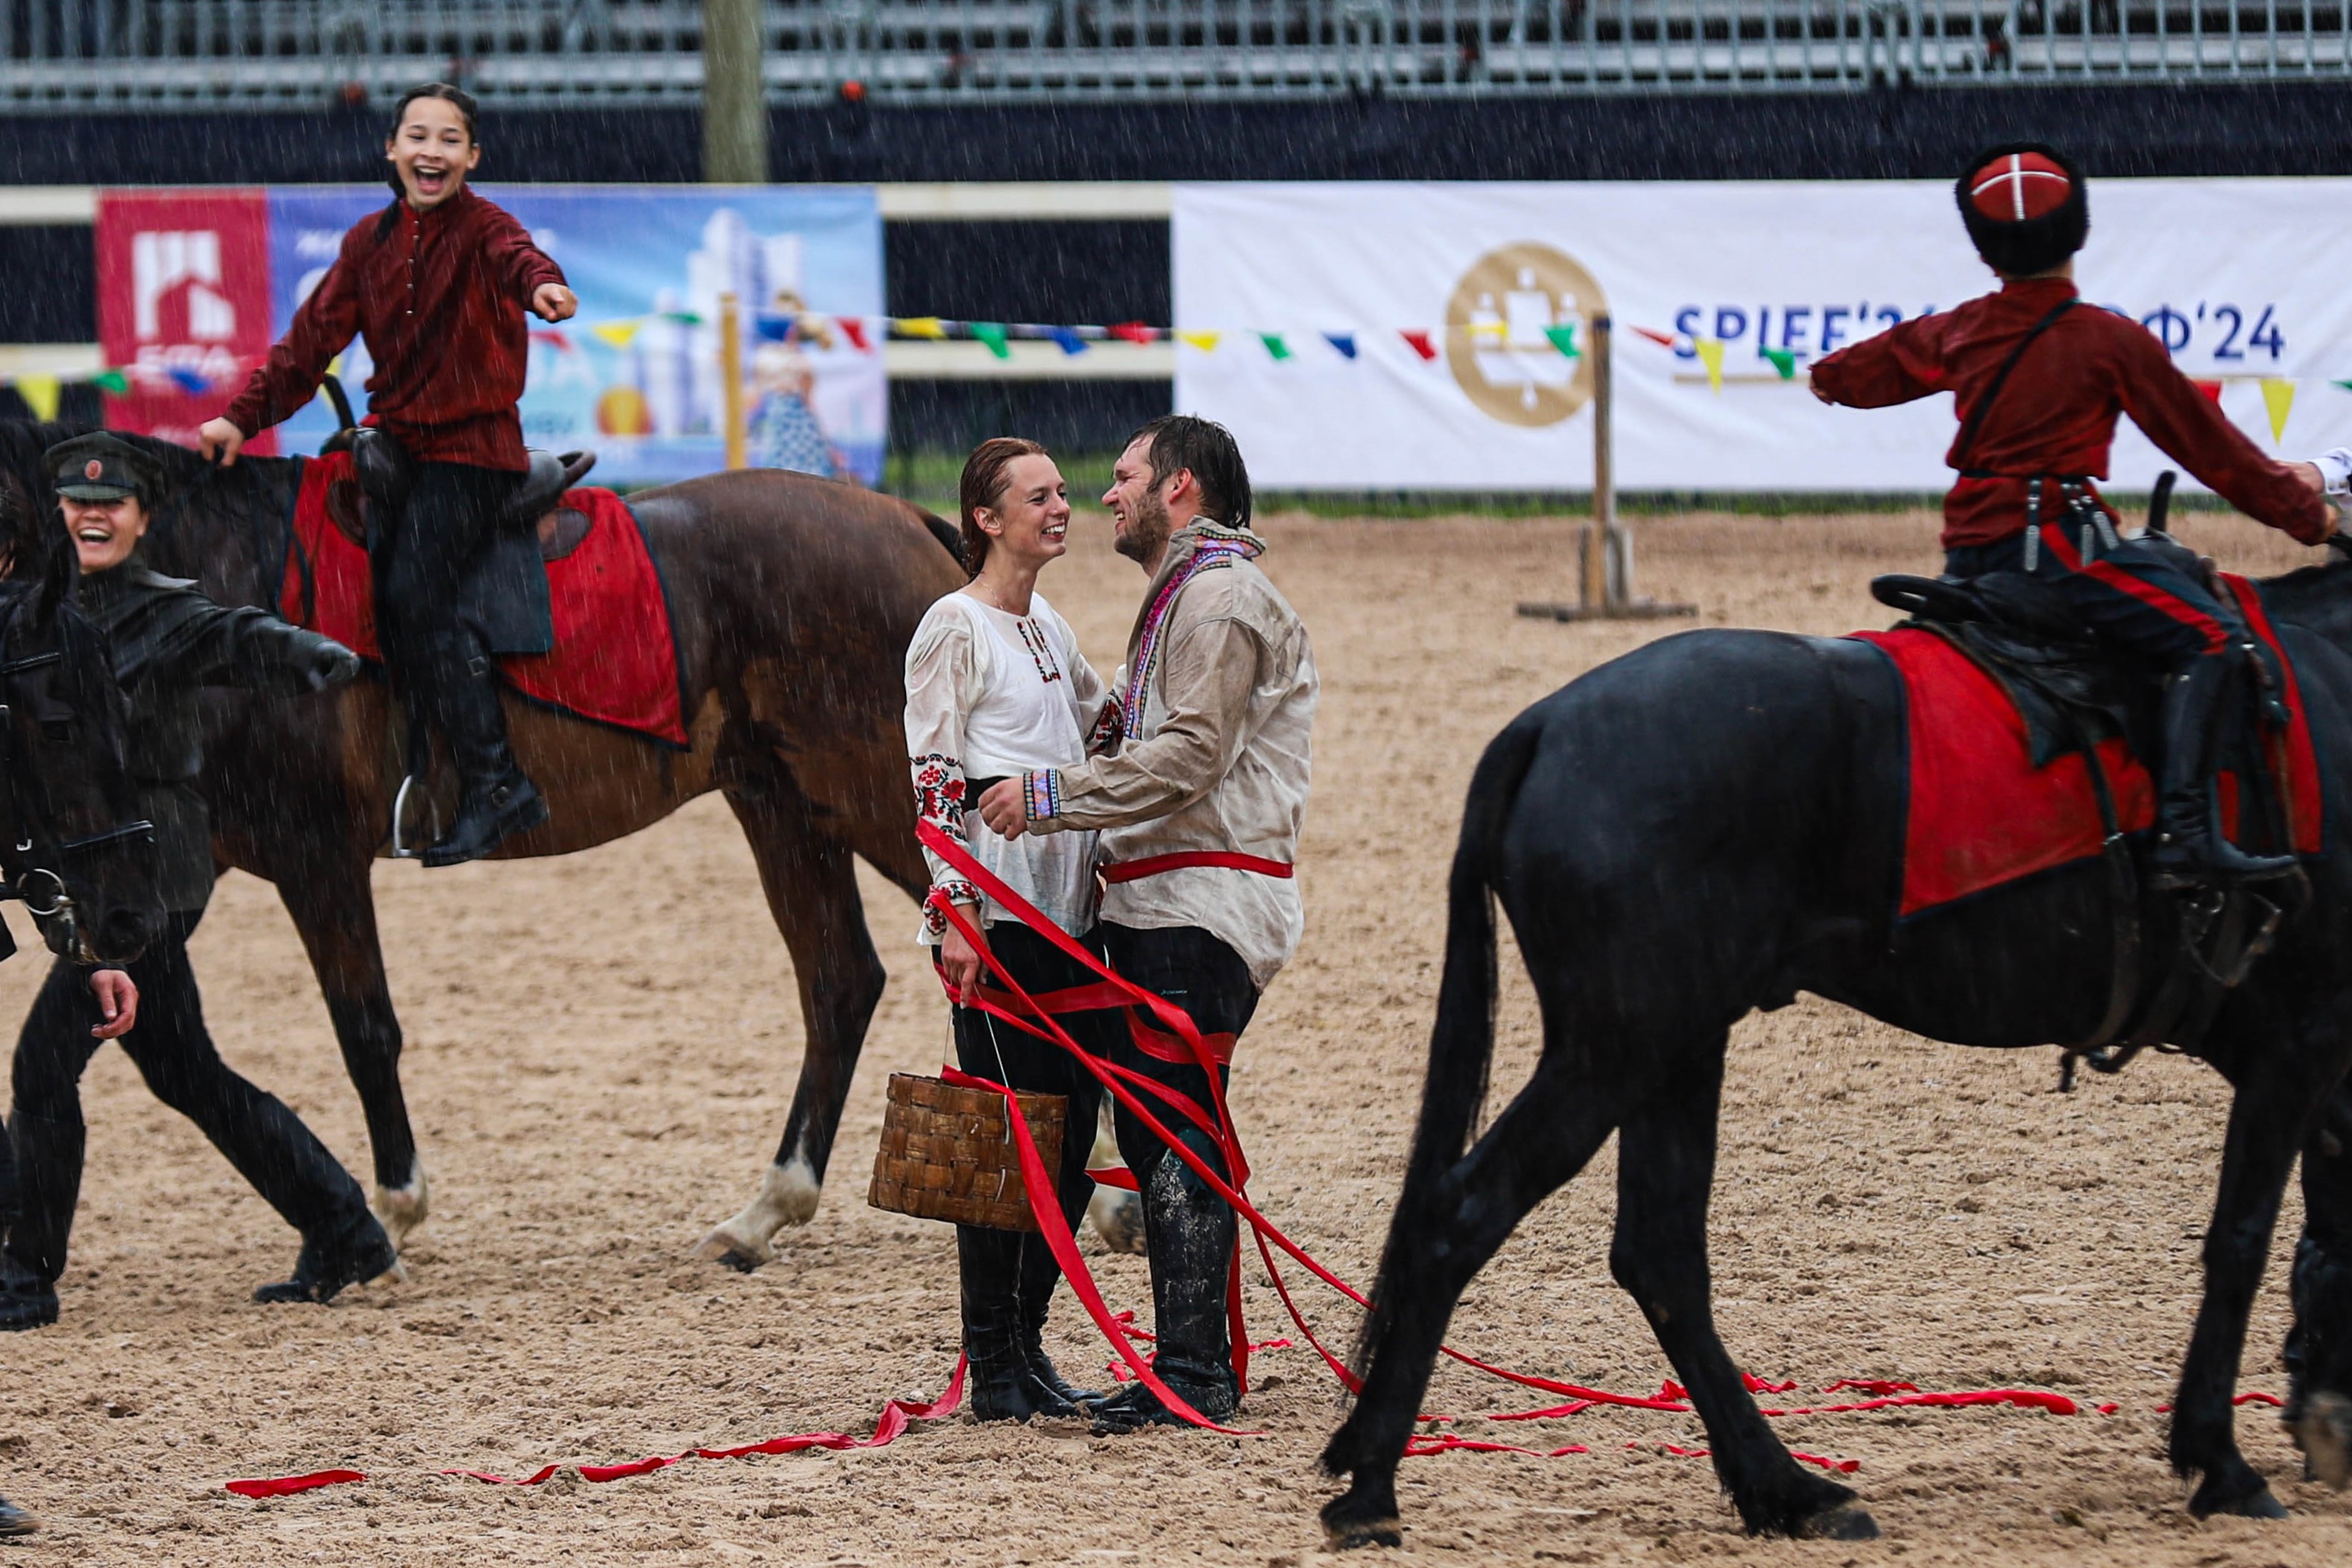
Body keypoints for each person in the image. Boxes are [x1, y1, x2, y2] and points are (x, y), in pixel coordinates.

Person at [1809, 142, 2339, 889]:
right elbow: (2216, 454)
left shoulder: (1961, 328)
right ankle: (2187, 835)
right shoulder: (2108, 339)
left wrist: (1829, 380)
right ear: (2079, 231)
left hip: (1972, 554)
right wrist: (2308, 518)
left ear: (1986, 250)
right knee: (2215, 640)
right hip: (2060, 554)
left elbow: (1860, 370)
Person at [0, 434, 393, 1333]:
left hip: (154, 877)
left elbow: (236, 632)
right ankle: (343, 1225)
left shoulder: (161, 610)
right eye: (77, 503)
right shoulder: (40, 613)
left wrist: (316, 656)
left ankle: (25, 1277)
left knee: (43, 1066)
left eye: (113, 505)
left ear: (144, 518)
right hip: (98, 872)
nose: (93, 517)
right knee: (187, 1072)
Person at [978, 415, 1317, 1432]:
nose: (1106, 494)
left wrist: (1045, 799)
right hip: (1170, 896)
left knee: (1172, 1122)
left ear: (1181, 489)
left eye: (1125, 477)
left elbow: (1188, 759)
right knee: (1167, 1120)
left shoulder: (1215, 599)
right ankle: (1188, 1365)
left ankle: (1195, 1376)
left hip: (1202, 901)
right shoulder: (1188, 598)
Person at [196, 81, 578, 867]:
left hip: (472, 455)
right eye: (417, 136)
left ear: (471, 157)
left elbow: (520, 258)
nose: (431, 151)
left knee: (412, 595)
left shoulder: (489, 231)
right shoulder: (366, 245)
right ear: (393, 150)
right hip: (398, 446)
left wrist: (540, 285)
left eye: (448, 139)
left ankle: (497, 781)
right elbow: (307, 349)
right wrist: (240, 419)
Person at [903, 437, 1124, 1421]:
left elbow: (1102, 727)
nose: (1061, 507)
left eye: (1064, 493)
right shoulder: (953, 626)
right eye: (1038, 497)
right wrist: (952, 909)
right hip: (993, 922)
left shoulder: (1051, 629)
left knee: (1071, 1137)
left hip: (1067, 916)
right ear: (987, 520)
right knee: (991, 1140)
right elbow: (933, 777)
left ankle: (1023, 1346)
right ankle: (993, 1368)